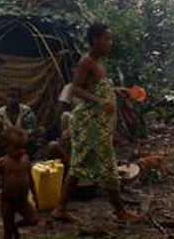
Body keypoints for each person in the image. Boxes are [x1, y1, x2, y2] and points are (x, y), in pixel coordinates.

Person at [51, 23, 142, 223]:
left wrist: (117, 91)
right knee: (107, 166)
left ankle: (60, 208)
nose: (110, 43)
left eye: (111, 39)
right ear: (95, 40)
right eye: (107, 39)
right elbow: (75, 89)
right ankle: (120, 212)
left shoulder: (99, 63)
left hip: (97, 125)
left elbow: (94, 87)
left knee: (78, 166)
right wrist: (101, 101)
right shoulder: (86, 61)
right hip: (89, 123)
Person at [0, 86, 41, 160]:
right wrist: (7, 136)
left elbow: (32, 129)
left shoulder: (26, 111)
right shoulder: (0, 112)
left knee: (39, 132)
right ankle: (0, 158)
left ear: (19, 99)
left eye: (13, 96)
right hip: (6, 144)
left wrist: (18, 135)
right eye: (8, 96)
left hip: (22, 143)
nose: (10, 99)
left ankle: (26, 157)